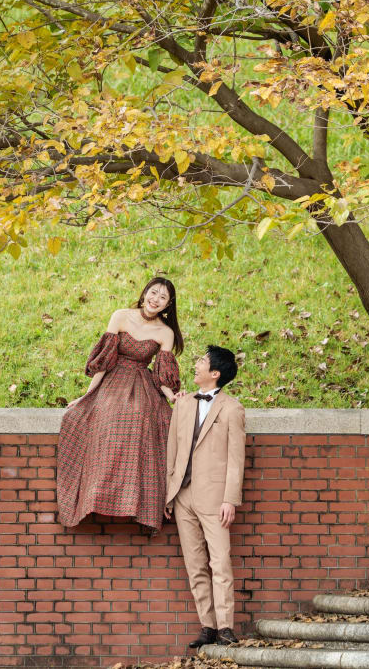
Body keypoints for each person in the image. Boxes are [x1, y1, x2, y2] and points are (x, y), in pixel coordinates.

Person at [56, 277, 183, 533]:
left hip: (140, 383)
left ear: (168, 305)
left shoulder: (165, 332)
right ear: (145, 292)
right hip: (113, 380)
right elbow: (105, 360)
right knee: (102, 417)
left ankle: (137, 499)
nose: (155, 299)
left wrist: (171, 396)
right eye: (153, 292)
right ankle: (96, 492)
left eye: (162, 298)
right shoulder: (121, 316)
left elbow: (161, 373)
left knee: (143, 421)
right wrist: (87, 395)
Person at [164, 345, 245, 649]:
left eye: (201, 361)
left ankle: (225, 627)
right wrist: (168, 495)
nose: (195, 365)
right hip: (183, 497)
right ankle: (207, 626)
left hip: (215, 499)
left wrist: (230, 499)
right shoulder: (182, 406)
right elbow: (173, 450)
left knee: (220, 562)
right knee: (195, 565)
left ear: (215, 373)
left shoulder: (233, 409)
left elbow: (237, 458)